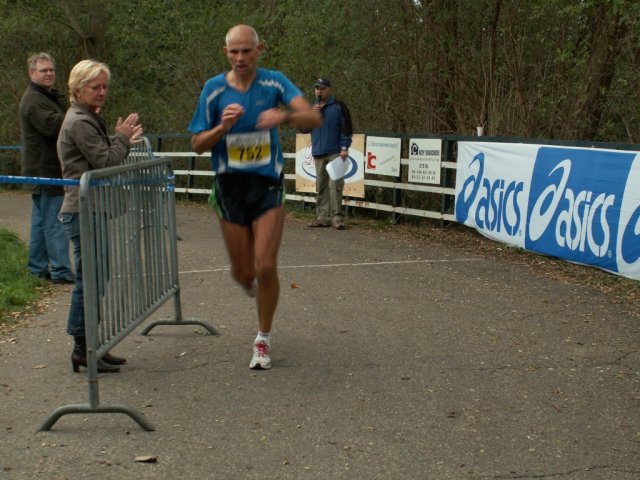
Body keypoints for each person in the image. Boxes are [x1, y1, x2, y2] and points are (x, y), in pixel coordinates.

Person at [189, 24, 321, 370]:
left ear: (259, 50)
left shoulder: (274, 82)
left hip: (266, 185)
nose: (240, 57)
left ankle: (263, 338)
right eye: (234, 51)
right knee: (244, 273)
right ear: (225, 52)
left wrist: (285, 115)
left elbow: (313, 115)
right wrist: (222, 129)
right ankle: (249, 281)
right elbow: (198, 145)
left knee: (265, 264)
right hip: (230, 187)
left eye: (246, 50)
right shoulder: (214, 90)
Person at [57, 59, 142, 373]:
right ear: (78, 89)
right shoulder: (79, 121)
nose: (102, 92)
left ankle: (92, 345)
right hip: (83, 211)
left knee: (96, 279)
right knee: (89, 281)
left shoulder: (87, 117)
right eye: (96, 87)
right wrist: (121, 139)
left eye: (105, 86)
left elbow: (105, 156)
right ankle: (82, 348)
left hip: (91, 208)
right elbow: (106, 161)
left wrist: (120, 140)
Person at [19, 53, 74, 283]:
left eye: (51, 69)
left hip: (42, 168)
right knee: (54, 221)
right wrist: (77, 116)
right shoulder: (34, 100)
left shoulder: (46, 97)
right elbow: (52, 126)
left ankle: (37, 267)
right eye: (44, 70)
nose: (49, 73)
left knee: (42, 221)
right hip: (45, 169)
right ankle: (61, 270)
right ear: (32, 74)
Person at [306, 77, 353, 230]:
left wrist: (344, 147)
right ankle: (321, 218)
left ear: (329, 89)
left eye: (322, 88)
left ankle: (337, 219)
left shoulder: (339, 106)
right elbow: (302, 129)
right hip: (318, 152)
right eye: (317, 88)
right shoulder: (311, 107)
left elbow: (346, 128)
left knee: (336, 186)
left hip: (335, 152)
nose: (319, 91)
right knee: (321, 186)